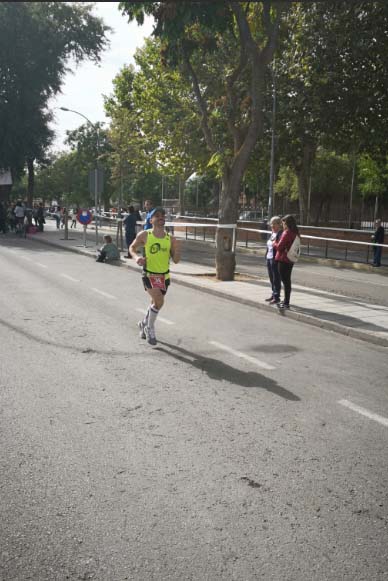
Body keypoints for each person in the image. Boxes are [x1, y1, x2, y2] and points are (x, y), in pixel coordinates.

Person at [130, 207, 181, 346]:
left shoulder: (170, 239)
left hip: (164, 276)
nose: (161, 217)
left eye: (163, 215)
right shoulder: (145, 235)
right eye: (157, 215)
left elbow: (176, 260)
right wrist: (136, 257)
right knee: (159, 300)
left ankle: (143, 323)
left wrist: (177, 250)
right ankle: (149, 327)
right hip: (149, 274)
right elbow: (132, 248)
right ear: (151, 220)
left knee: (155, 303)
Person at [273, 214, 300, 310]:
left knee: (285, 281)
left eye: (283, 223)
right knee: (287, 281)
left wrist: (274, 243)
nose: (283, 225)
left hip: (283, 259)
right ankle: (286, 301)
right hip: (291, 259)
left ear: (287, 223)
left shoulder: (286, 233)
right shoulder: (296, 233)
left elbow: (279, 247)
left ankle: (286, 302)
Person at [265, 216, 282, 305]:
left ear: (279, 225)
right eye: (271, 224)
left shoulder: (280, 234)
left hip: (275, 259)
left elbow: (279, 247)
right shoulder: (272, 233)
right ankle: (273, 293)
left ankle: (277, 296)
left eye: (274, 224)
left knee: (276, 278)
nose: (272, 226)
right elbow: (269, 246)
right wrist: (266, 256)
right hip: (269, 258)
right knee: (271, 278)